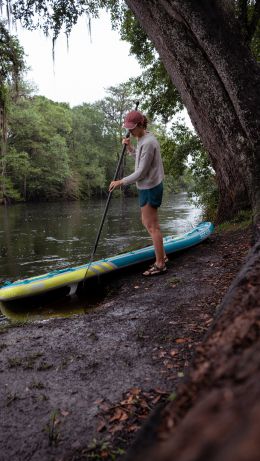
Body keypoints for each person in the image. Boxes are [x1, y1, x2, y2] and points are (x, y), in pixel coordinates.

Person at [109, 110, 167, 276]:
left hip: (150, 186)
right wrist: (130, 148)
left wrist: (120, 181)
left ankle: (160, 263)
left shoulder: (149, 142)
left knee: (152, 226)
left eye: (132, 128)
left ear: (141, 125)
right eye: (128, 129)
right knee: (147, 222)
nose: (130, 132)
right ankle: (162, 256)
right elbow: (141, 159)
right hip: (146, 186)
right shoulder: (143, 138)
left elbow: (141, 172)